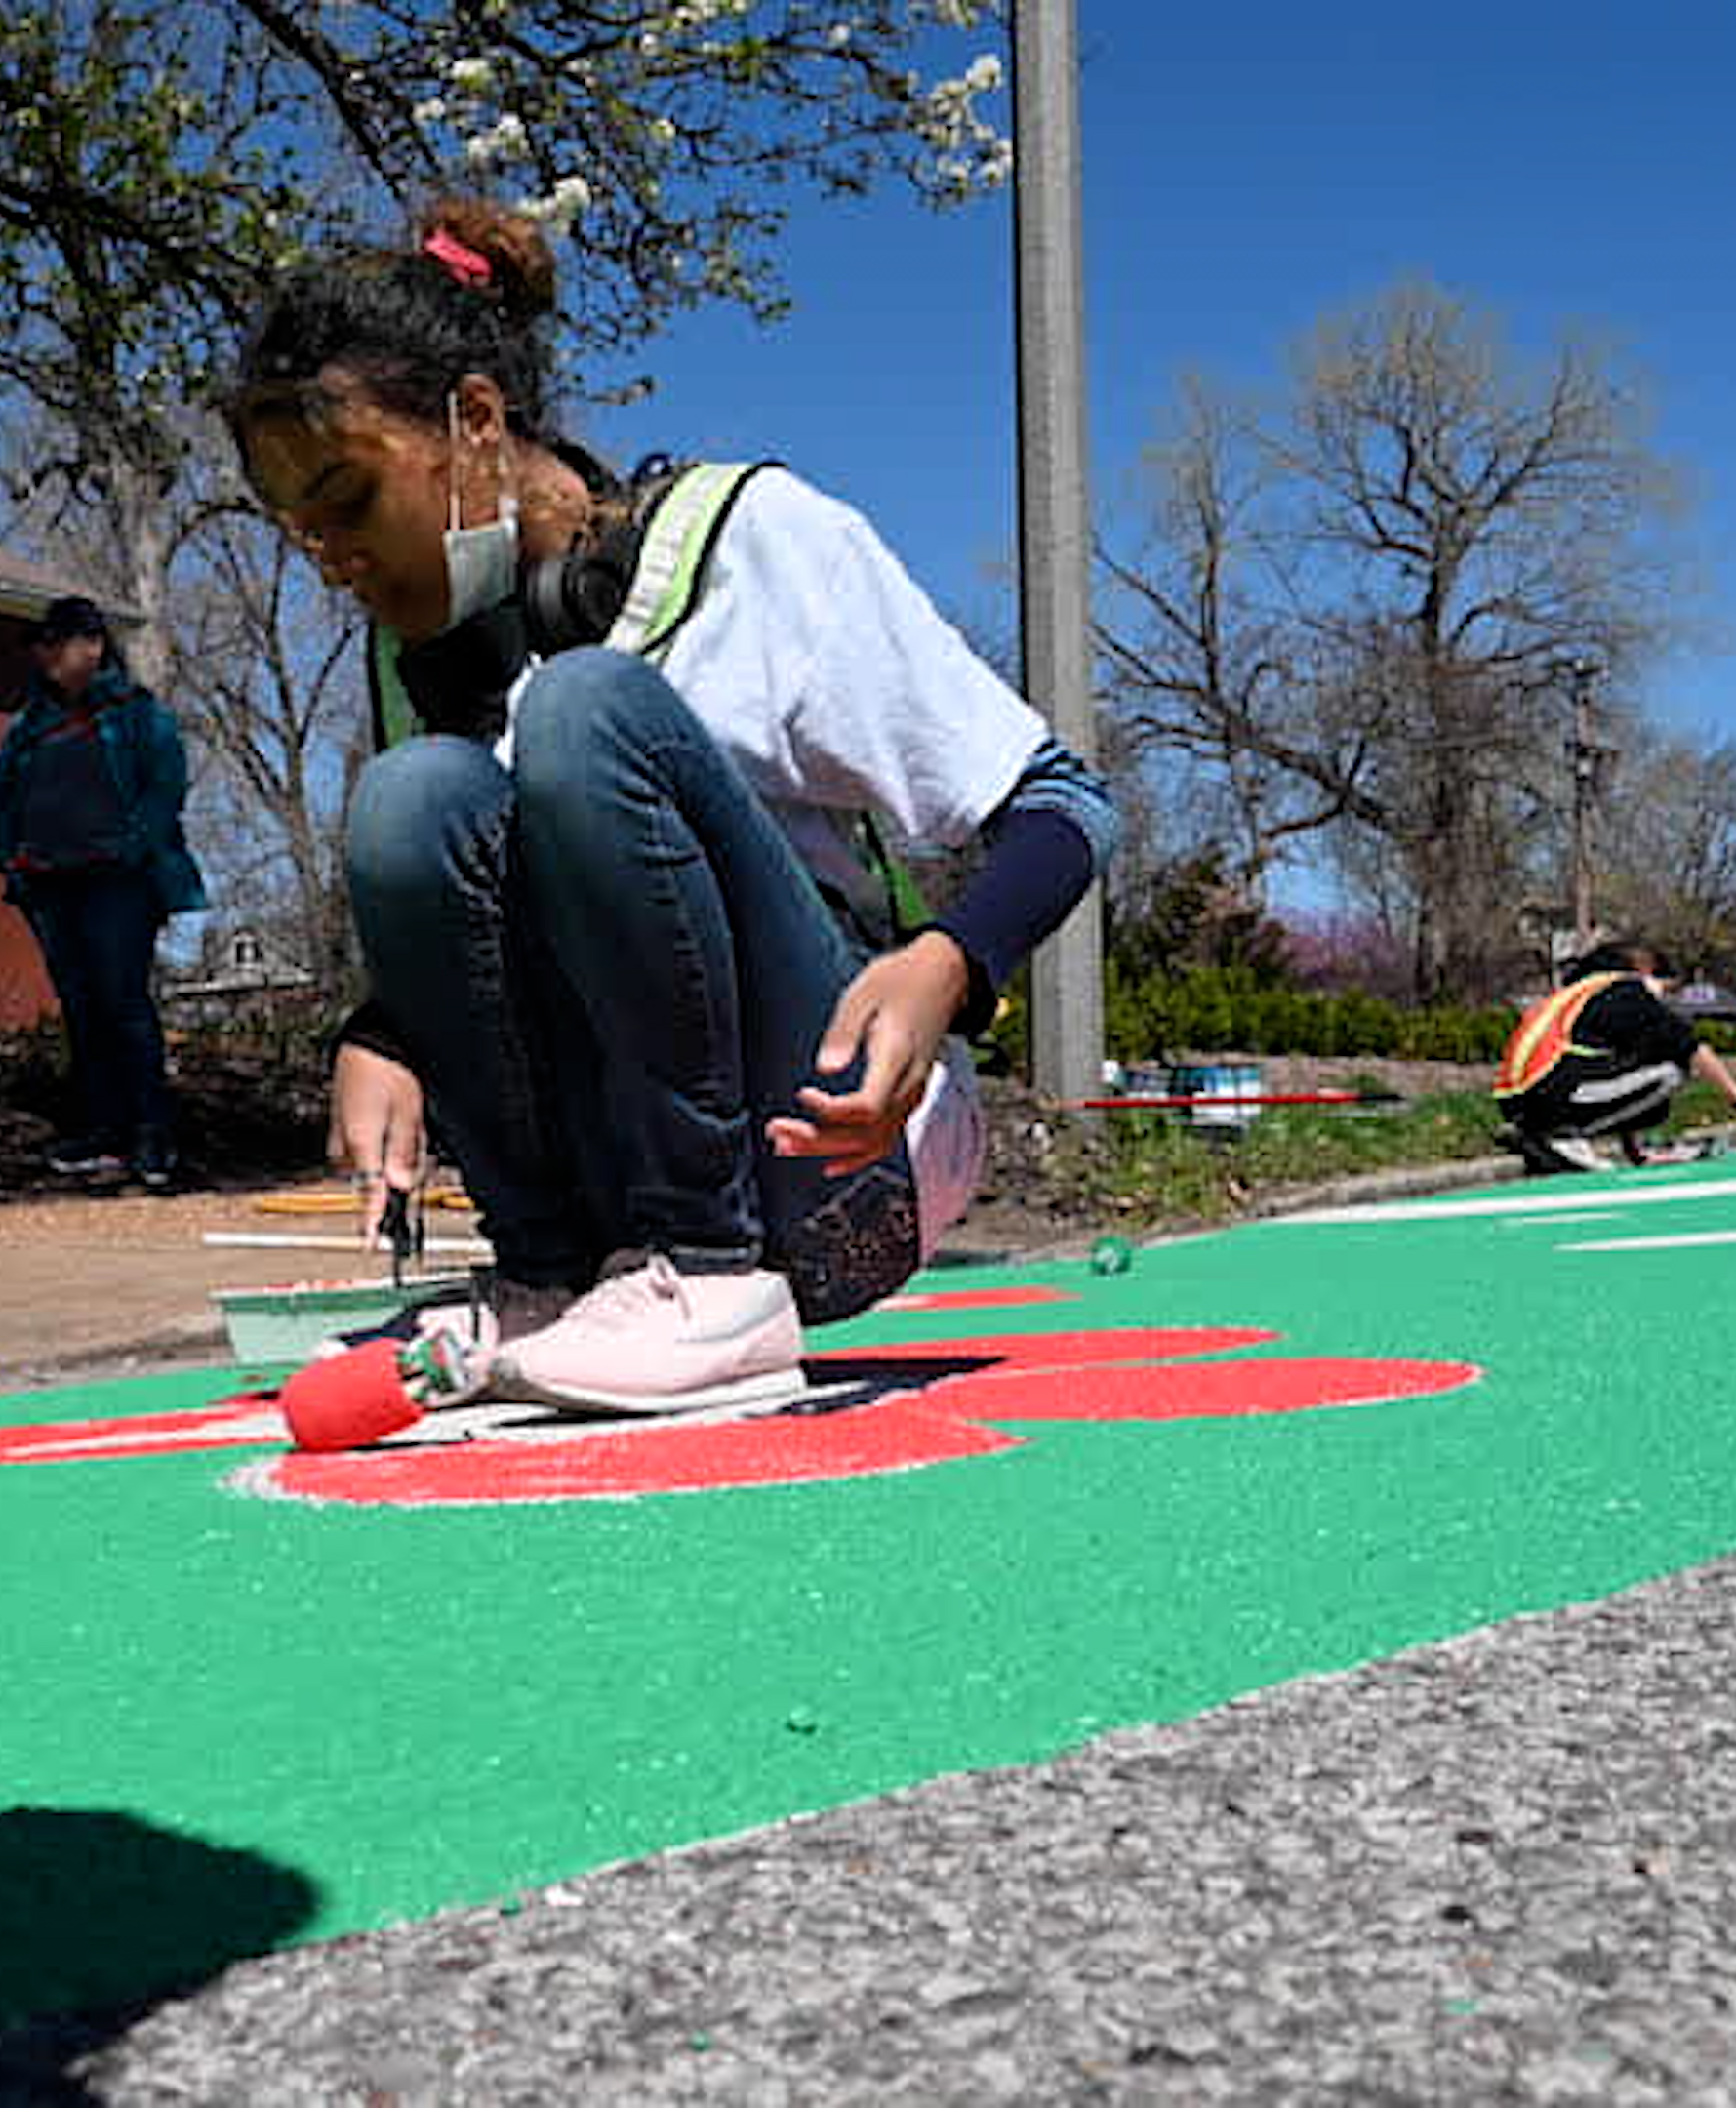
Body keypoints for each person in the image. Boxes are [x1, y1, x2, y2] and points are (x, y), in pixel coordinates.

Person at [221, 199, 1122, 1414]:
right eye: (300, 530)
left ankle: (709, 1280)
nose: (330, 558)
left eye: (347, 501)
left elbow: (1064, 805)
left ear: (477, 423)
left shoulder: (749, 540)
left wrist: (949, 964)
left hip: (837, 1168)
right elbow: (501, 910)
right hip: (609, 1203)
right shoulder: (437, 662)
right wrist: (385, 1028)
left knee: (590, 709)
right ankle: (546, 1278)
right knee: (410, 796)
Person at [0, 594, 208, 1190]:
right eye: (41, 644)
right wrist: (11, 861)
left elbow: (166, 785)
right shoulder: (28, 726)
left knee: (124, 1003)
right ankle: (102, 1132)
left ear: (93, 646)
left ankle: (152, 1137)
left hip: (119, 881)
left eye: (57, 642)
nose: (45, 654)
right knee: (81, 1010)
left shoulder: (136, 712)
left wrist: (133, 845)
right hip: (50, 886)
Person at [1491, 942, 1736, 1174]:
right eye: (1666, 990)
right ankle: (1559, 1137)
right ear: (1645, 973)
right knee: (1672, 1069)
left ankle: (1546, 1133)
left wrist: (1636, 1153)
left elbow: (1612, 1070)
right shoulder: (1625, 989)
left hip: (1519, 1101)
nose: (1664, 999)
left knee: (1644, 1073)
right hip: (1551, 1095)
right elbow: (1691, 1048)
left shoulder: (1577, 994)